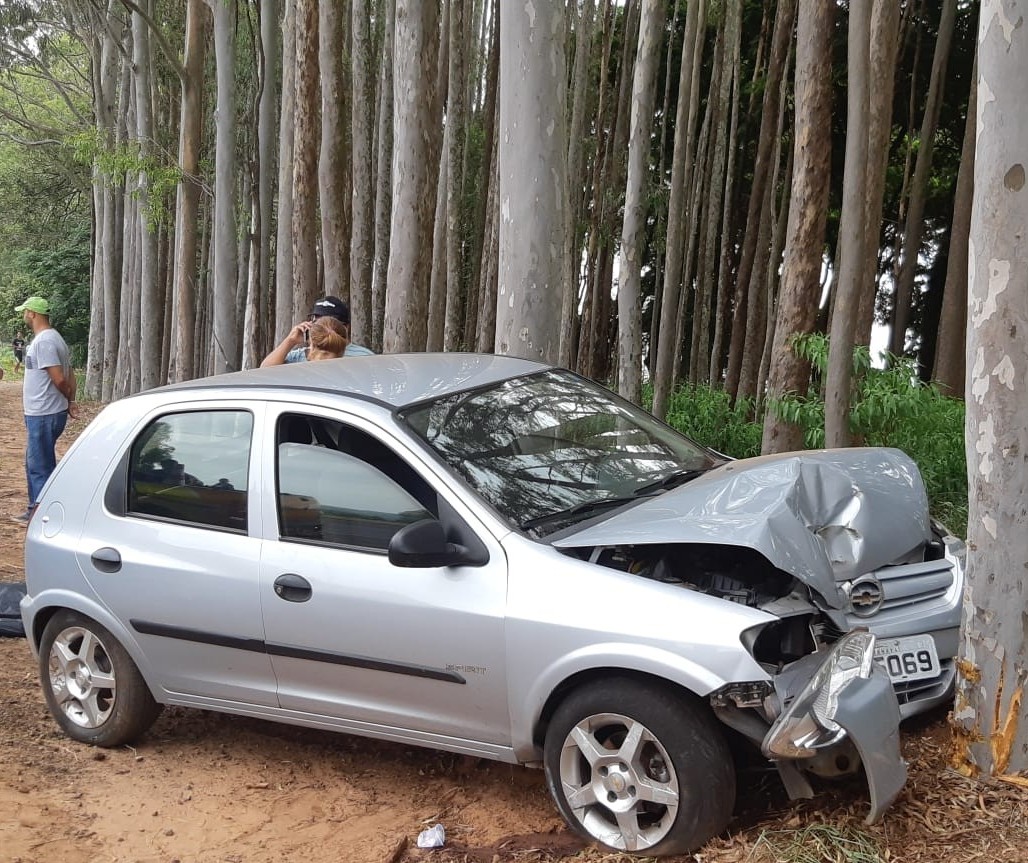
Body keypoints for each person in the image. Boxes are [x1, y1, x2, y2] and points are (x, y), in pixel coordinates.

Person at [12, 297, 76, 526]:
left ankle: (42, 515)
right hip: (43, 411)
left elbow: (60, 378)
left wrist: (68, 397)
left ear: (32, 313)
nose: (23, 315)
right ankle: (35, 508)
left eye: (25, 311)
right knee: (35, 462)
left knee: (40, 465)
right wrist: (72, 400)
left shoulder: (46, 342)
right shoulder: (52, 339)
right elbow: (71, 374)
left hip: (44, 412)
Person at [260, 296, 374, 367]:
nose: (322, 327)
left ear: (345, 327)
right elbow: (265, 370)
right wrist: (290, 341)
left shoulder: (363, 357)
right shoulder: (301, 355)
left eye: (329, 322)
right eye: (317, 322)